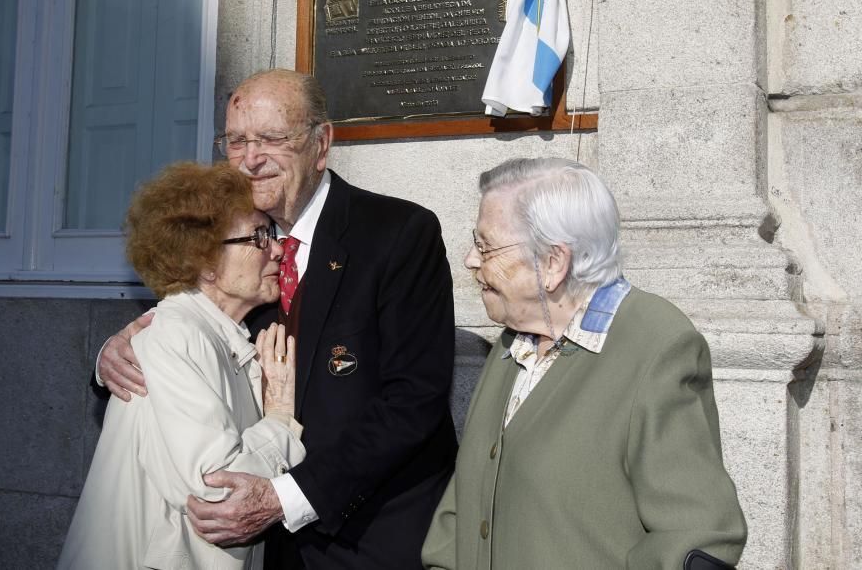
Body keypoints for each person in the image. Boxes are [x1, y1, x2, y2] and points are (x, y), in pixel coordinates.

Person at [97, 69, 457, 569]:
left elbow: (413, 399)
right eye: (237, 141)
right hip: (262, 551)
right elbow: (185, 332)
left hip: (366, 540)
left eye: (271, 139)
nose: (250, 159)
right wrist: (113, 355)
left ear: (321, 143)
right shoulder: (224, 241)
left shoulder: (398, 234)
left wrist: (286, 498)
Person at [422, 157, 747, 569]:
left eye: (486, 246)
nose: (471, 259)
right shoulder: (516, 340)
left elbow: (700, 535)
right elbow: (468, 498)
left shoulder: (654, 345)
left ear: (553, 263)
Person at [59, 162, 306, 569]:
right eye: (259, 237)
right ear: (205, 263)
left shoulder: (222, 332)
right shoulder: (179, 334)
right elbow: (220, 488)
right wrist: (279, 420)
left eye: (272, 234)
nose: (277, 248)